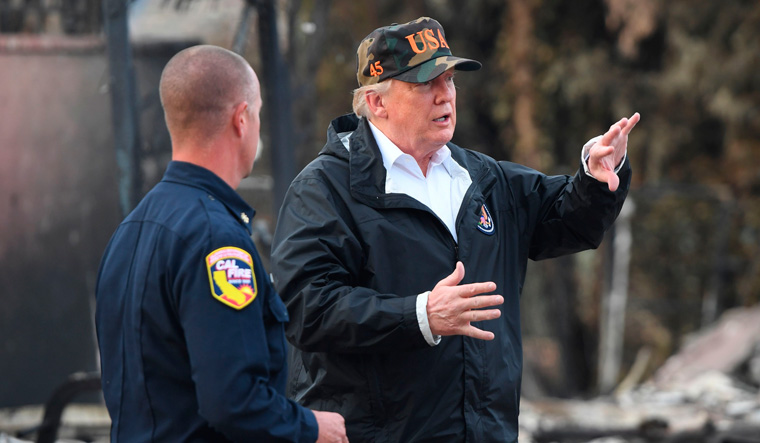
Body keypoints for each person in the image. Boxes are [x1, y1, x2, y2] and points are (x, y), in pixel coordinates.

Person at [270, 17, 640, 442]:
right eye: (426, 84)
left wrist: (596, 176)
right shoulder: (323, 189)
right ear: (376, 103)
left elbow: (568, 221)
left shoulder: (482, 176)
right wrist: (419, 315)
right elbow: (305, 308)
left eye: (449, 80)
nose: (445, 95)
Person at [95, 45, 348, 442]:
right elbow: (232, 399)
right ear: (241, 119)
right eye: (259, 113)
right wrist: (311, 427)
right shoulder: (218, 239)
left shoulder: (132, 227)